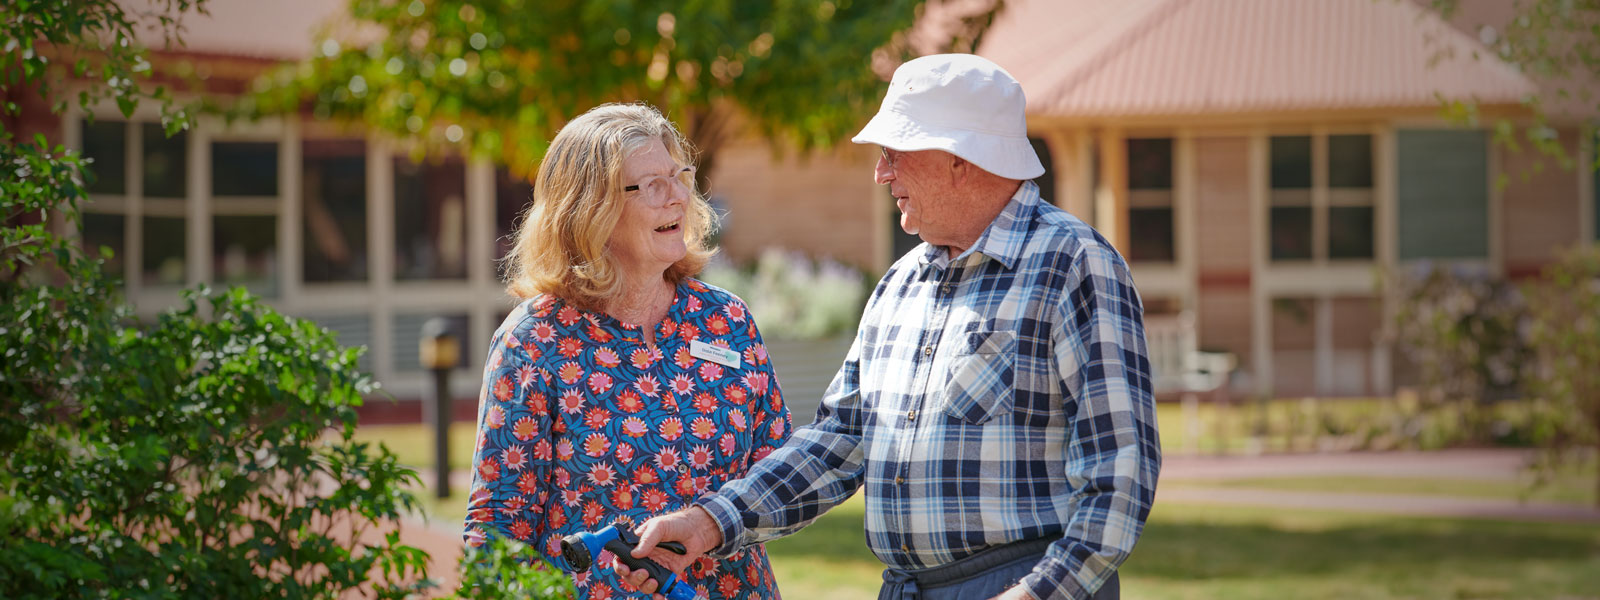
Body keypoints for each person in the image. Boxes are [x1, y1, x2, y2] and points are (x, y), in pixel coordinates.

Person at [617, 54, 1161, 600]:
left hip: (1026, 584)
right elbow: (839, 441)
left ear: (958, 158)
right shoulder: (903, 281)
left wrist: (1035, 595)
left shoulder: (1074, 263)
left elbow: (1119, 477)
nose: (881, 172)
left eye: (894, 152)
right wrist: (707, 523)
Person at [463, 103, 793, 600]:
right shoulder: (535, 341)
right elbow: (497, 526)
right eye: (651, 185)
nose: (677, 196)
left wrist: (712, 526)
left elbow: (782, 476)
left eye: (679, 176)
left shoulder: (726, 320)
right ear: (590, 210)